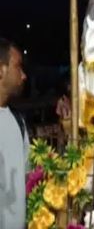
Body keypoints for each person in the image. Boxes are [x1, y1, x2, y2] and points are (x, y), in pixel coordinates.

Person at [0, 37, 28, 229]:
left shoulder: (19, 122)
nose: (24, 76)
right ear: (1, 70)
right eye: (18, 67)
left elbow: (28, 177)